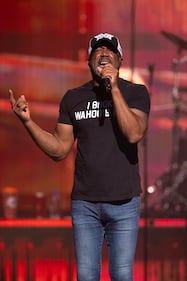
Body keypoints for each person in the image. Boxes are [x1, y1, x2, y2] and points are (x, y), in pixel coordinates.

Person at [9, 32, 150, 281]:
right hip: (86, 205)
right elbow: (59, 150)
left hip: (124, 203)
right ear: (88, 61)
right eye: (98, 50)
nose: (104, 54)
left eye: (110, 51)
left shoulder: (135, 93)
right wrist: (28, 122)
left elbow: (134, 133)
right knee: (86, 276)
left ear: (120, 59)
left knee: (121, 274)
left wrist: (114, 88)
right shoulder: (73, 98)